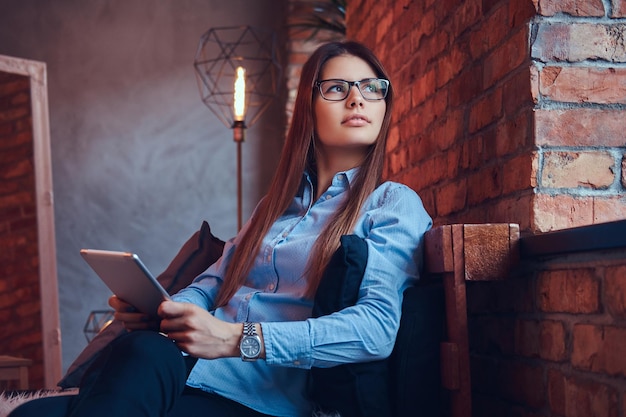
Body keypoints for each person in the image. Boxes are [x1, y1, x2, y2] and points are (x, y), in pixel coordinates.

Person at [10, 40, 432, 417]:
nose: (358, 99)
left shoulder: (392, 203)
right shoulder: (274, 208)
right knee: (138, 349)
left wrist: (235, 339)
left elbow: (375, 331)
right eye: (338, 88)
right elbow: (212, 284)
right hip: (188, 368)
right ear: (308, 105)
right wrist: (167, 311)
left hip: (261, 398)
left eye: (372, 88)